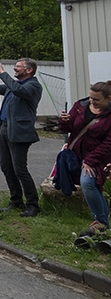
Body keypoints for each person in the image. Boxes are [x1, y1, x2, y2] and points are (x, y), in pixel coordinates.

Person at [0, 58, 43, 217]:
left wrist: (2, 72)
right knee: (6, 167)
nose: (15, 69)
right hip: (5, 128)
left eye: (18, 67)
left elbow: (18, 90)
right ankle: (16, 200)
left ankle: (33, 205)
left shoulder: (33, 86)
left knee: (20, 170)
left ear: (29, 70)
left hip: (20, 132)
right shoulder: (14, 86)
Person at [58, 81, 111, 238]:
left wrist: (90, 160)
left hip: (98, 157)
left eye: (96, 99)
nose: (92, 101)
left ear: (108, 98)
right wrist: (64, 120)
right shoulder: (80, 105)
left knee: (88, 184)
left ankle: (99, 222)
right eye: (90, 97)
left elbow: (109, 143)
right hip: (76, 155)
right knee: (93, 187)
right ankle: (103, 225)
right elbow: (68, 129)